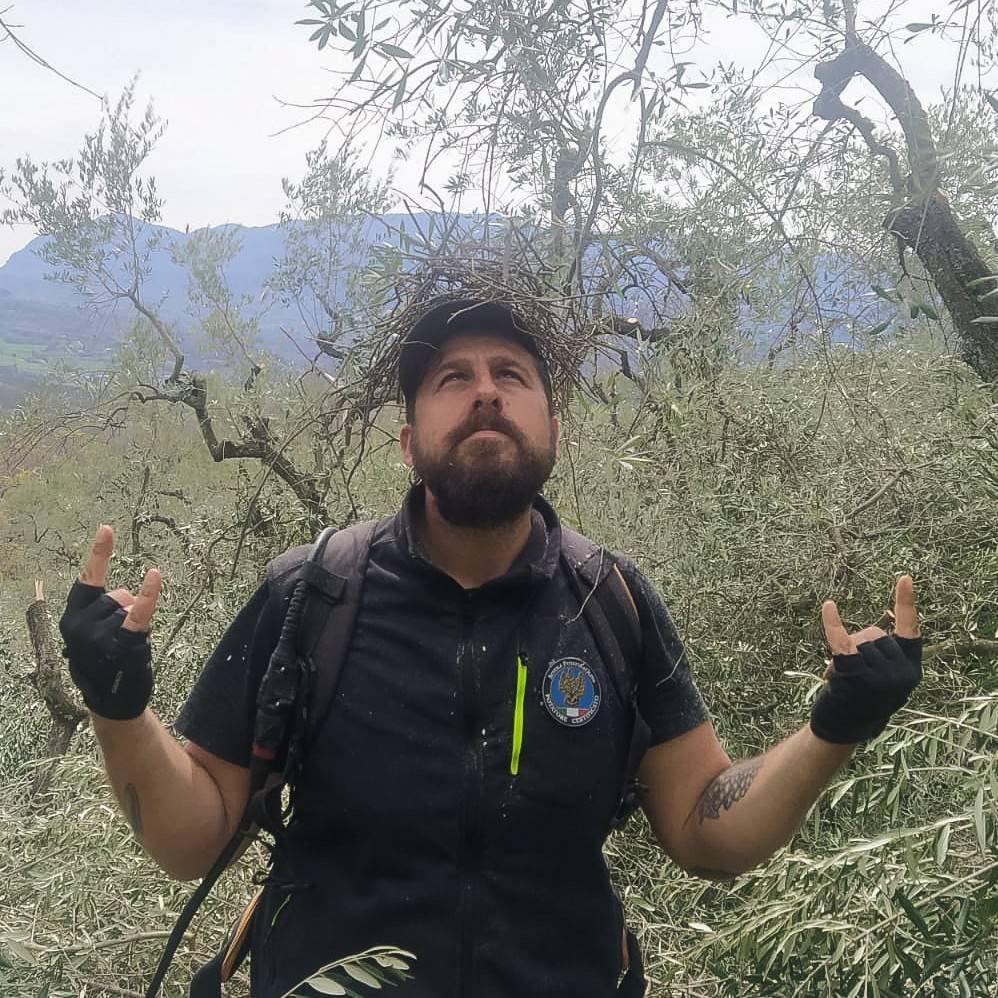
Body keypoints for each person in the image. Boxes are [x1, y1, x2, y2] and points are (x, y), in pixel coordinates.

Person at [59, 298, 923, 998]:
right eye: (452, 378)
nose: (485, 392)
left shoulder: (612, 602)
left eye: (511, 374)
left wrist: (836, 725)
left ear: (553, 429)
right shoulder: (312, 594)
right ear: (408, 443)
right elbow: (191, 842)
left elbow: (705, 830)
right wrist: (117, 706)